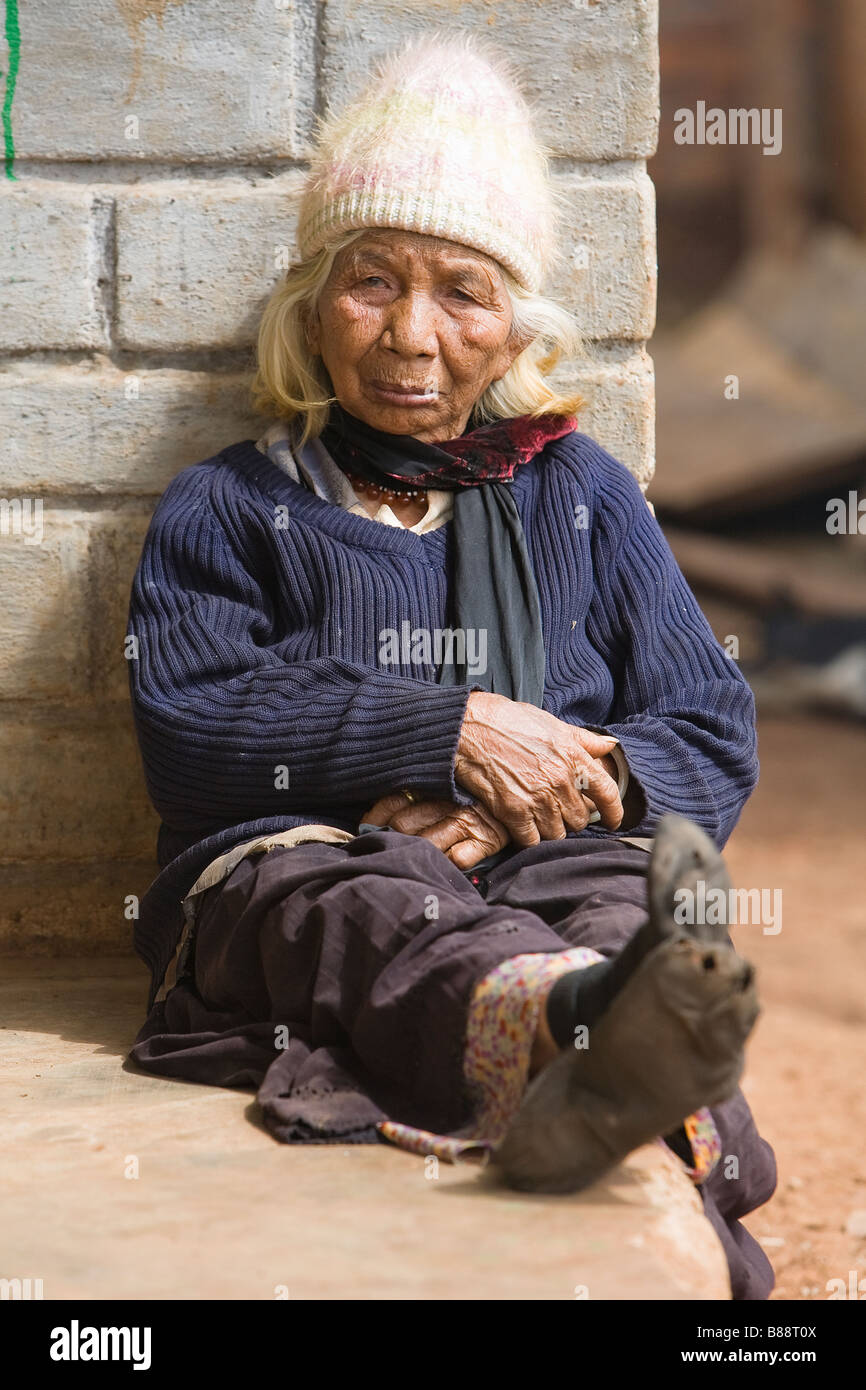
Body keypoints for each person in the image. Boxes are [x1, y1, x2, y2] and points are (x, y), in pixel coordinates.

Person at [125, 31, 776, 1297]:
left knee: (622, 920)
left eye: (460, 294)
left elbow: (707, 726)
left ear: (512, 324)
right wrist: (445, 730)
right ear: (310, 304)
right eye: (371, 283)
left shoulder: (575, 493)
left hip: (551, 846)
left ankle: (605, 1039)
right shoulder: (228, 505)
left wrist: (555, 784)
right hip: (306, 861)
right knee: (368, 911)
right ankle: (573, 1046)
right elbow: (191, 717)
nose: (410, 336)